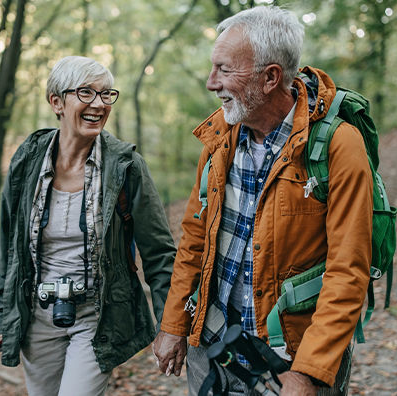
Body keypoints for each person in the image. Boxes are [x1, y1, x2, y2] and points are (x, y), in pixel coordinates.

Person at [152, 6, 373, 395]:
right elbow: (194, 237)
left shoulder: (338, 146)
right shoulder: (221, 133)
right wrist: (173, 323)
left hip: (289, 356)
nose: (210, 82)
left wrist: (307, 372)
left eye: (224, 69)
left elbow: (347, 271)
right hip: (214, 340)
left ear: (270, 77)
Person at [0, 55, 176, 396]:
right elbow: (7, 245)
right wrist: (6, 314)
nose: (99, 104)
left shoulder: (125, 167)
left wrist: (170, 325)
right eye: (87, 93)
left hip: (97, 315)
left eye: (107, 95)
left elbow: (160, 253)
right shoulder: (27, 160)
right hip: (37, 314)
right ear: (57, 102)